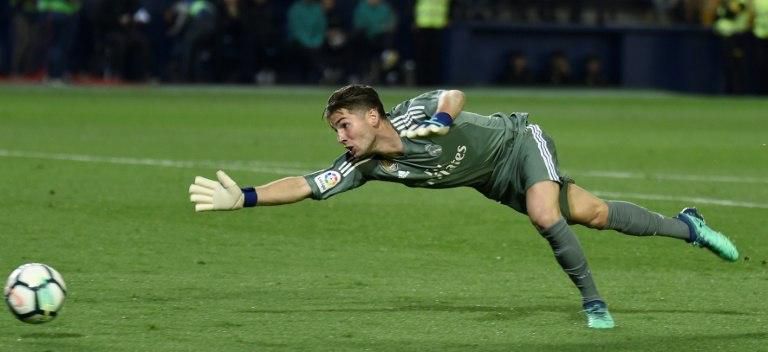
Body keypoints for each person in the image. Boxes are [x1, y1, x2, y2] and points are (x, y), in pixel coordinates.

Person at [188, 85, 740, 329]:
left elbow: (453, 97)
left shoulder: (408, 114)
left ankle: (594, 304)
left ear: (373, 116)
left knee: (547, 214)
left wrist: (444, 123)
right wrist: (248, 197)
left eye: (343, 124)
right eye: (335, 128)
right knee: (593, 213)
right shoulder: (366, 166)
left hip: (516, 143)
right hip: (490, 180)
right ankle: (687, 227)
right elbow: (309, 183)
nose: (340, 136)